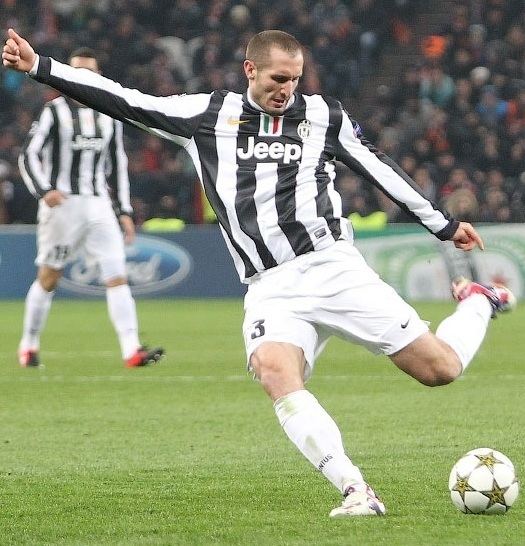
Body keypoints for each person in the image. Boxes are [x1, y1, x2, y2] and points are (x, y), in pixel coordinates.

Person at [3, 28, 515, 516]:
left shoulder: (322, 115)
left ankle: (477, 299)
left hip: (333, 268)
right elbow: (123, 98)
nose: (286, 90)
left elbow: (375, 166)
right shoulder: (208, 115)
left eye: (295, 79)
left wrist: (443, 225)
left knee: (439, 370)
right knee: (274, 371)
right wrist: (42, 67)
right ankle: (356, 488)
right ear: (251, 70)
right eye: (277, 79)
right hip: (269, 286)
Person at [14, 46, 164, 369]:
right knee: (49, 277)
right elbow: (28, 155)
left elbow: (118, 166)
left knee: (116, 275)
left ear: (98, 76)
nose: (82, 78)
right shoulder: (54, 111)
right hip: (63, 205)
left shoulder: (110, 115)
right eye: (76, 71)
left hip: (98, 205)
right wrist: (45, 191)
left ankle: (131, 349)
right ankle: (28, 344)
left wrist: (123, 211)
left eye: (88, 73)